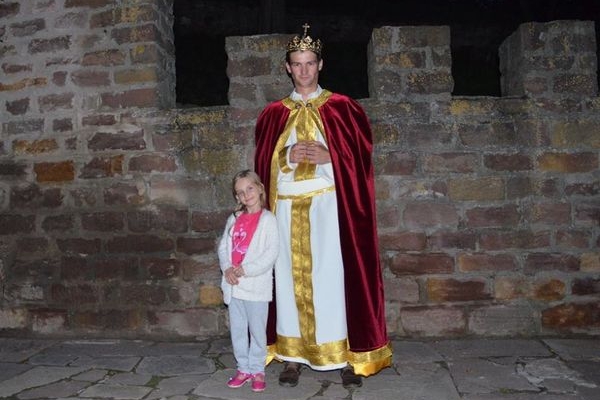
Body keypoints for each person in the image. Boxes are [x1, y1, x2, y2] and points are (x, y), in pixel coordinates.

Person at [254, 23, 392, 388]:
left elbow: (361, 161)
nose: (304, 71)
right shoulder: (272, 114)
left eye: (310, 63)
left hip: (329, 208)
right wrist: (286, 156)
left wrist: (330, 156)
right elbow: (262, 165)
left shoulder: (344, 109)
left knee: (332, 278)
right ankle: (292, 356)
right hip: (286, 210)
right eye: (297, 64)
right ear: (288, 67)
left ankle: (345, 355)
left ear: (320, 65)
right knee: (287, 280)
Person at [217, 169, 279, 393]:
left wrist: (246, 269)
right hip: (234, 287)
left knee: (257, 331)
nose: (246, 195)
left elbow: (270, 253)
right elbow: (223, 247)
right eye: (241, 192)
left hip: (255, 287)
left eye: (250, 189)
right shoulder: (234, 219)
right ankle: (243, 368)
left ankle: (257, 369)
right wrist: (227, 268)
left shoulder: (268, 220)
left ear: (260, 189)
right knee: (238, 331)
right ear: (237, 197)